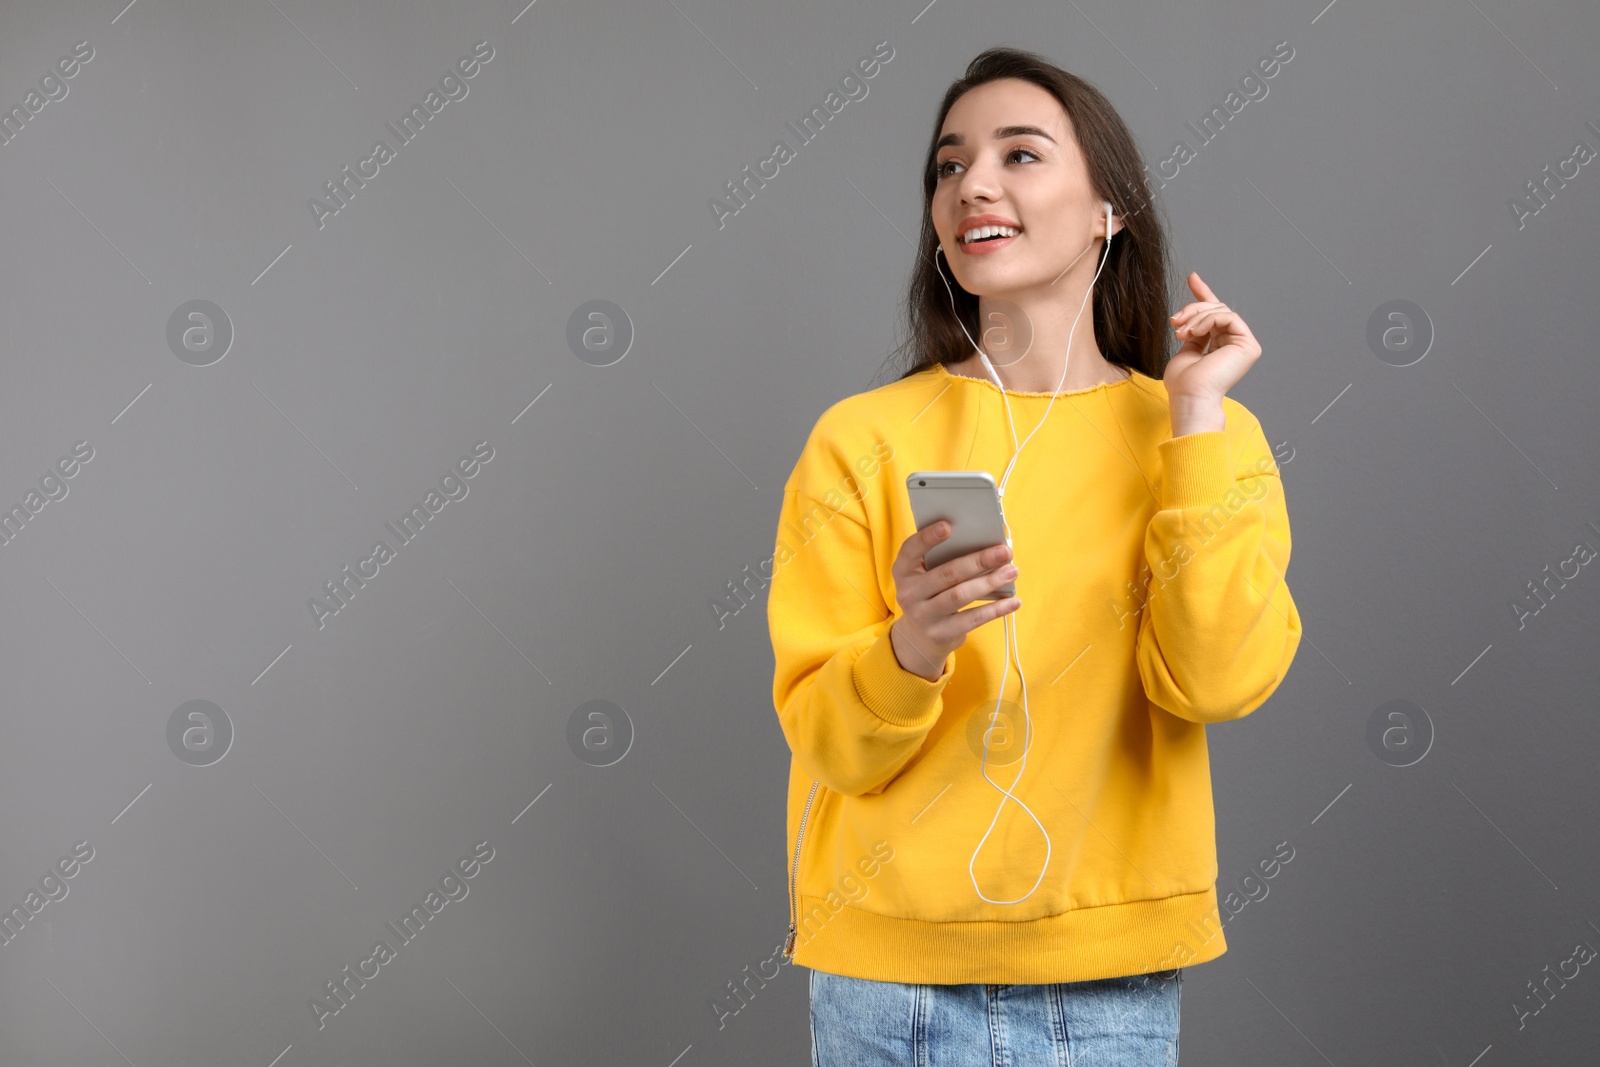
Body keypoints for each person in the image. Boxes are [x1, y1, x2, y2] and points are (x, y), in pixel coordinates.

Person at [765, 46, 1303, 1065]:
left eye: (1020, 155)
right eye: (948, 165)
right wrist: (912, 642)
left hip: (1110, 972)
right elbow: (830, 743)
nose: (973, 183)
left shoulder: (1207, 437)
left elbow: (1218, 681)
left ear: (1109, 210)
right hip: (889, 977)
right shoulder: (859, 441)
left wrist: (1193, 417)